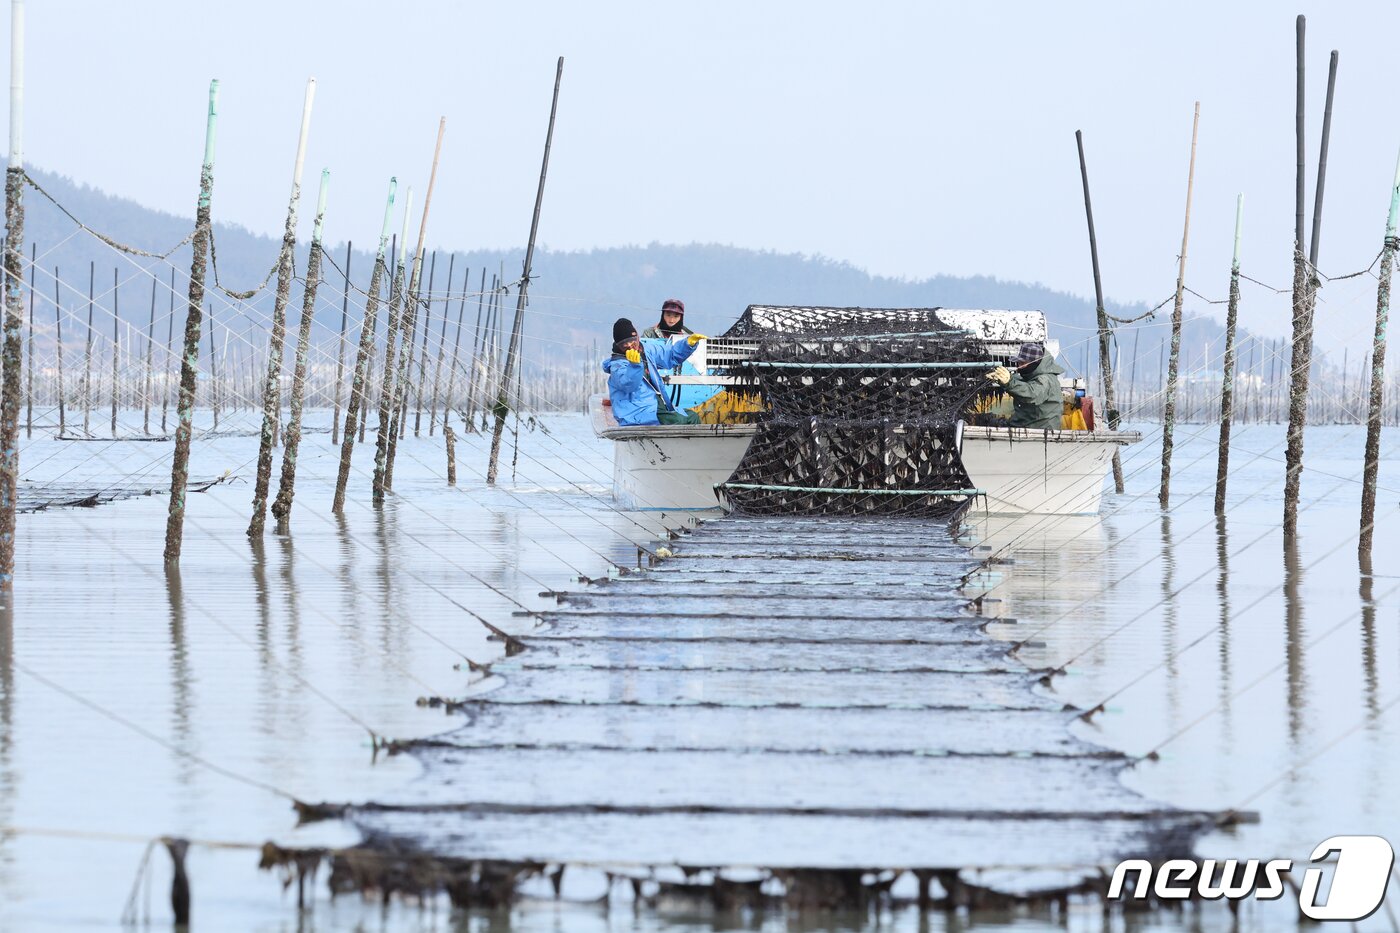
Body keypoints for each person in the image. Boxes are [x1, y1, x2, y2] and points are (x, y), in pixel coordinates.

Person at [603, 318, 707, 426]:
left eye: (632, 340)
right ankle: (673, 442)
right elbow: (628, 385)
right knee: (678, 421)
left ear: (637, 336)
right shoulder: (617, 365)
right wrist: (634, 366)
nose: (630, 345)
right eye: (624, 344)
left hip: (656, 406)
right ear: (618, 345)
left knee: (692, 417)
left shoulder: (646, 349)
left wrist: (688, 344)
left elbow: (670, 355)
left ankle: (691, 443)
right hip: (636, 413)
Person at [985, 342, 1064, 430]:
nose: (1019, 367)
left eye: (1023, 363)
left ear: (1035, 363)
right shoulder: (1032, 377)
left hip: (1040, 432)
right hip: (1025, 426)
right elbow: (1021, 382)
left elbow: (1031, 394)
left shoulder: (1046, 380)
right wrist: (1002, 379)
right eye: (1019, 363)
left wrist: (1009, 382)